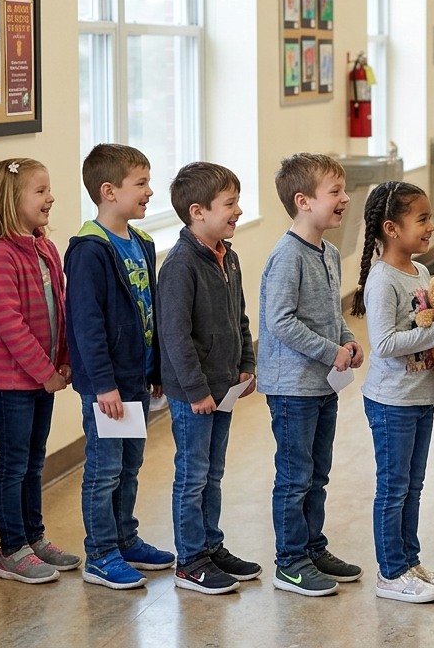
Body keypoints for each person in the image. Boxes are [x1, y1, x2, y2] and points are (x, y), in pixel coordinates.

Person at [65, 144, 175, 590]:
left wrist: (153, 372)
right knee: (105, 468)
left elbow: (147, 313)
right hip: (106, 387)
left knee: (130, 465)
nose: (150, 192)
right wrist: (104, 385)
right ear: (108, 191)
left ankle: (125, 538)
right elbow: (86, 325)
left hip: (134, 379)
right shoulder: (90, 250)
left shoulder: (143, 243)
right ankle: (101, 552)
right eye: (141, 184)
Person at [350, 181, 434, 604]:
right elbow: (383, 344)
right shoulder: (382, 280)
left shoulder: (420, 272)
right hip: (390, 401)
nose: (431, 226)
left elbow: (425, 327)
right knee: (393, 486)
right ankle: (390, 572)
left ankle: (409, 560)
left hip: (419, 395)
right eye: (422, 219)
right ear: (391, 228)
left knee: (413, 485)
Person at [259, 153, 364, 597]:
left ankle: (312, 547)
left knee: (318, 472)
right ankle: (291, 562)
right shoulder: (287, 256)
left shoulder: (331, 252)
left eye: (344, 190)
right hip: (292, 388)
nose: (344, 199)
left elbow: (329, 313)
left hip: (321, 382)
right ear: (303, 201)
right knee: (295, 474)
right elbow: (281, 321)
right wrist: (330, 351)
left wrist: (348, 340)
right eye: (335, 192)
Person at [0, 158, 79, 585]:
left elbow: (62, 306)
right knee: (14, 463)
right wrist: (45, 372)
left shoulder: (46, 248)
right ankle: (12, 548)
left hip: (44, 377)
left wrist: (65, 359)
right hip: (13, 383)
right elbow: (11, 326)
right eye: (40, 191)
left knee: (35, 461)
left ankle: (35, 537)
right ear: (10, 199)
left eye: (48, 188)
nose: (50, 197)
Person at [159, 162, 260, 595]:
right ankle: (190, 560)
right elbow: (175, 335)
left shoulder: (228, 256)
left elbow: (238, 316)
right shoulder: (180, 265)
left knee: (213, 472)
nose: (238, 211)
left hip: (224, 387)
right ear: (198, 212)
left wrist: (247, 362)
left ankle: (211, 545)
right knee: (193, 474)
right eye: (230, 204)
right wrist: (197, 390)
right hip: (194, 394)